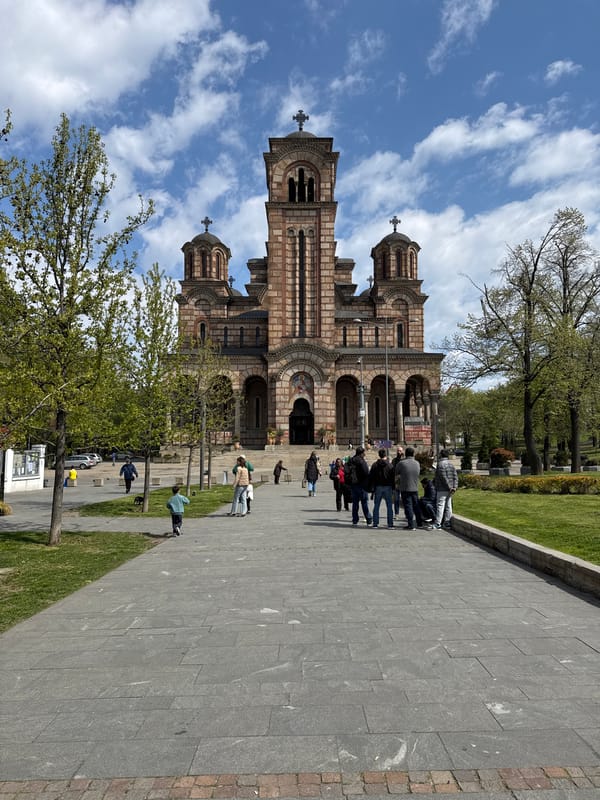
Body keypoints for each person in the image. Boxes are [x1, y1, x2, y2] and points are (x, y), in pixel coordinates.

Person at [395, 446, 427, 530]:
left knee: (408, 506)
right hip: (415, 487)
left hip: (405, 488)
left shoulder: (402, 463)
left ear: (405, 454)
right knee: (416, 506)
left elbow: (396, 472)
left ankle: (411, 524)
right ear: (413, 454)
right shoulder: (417, 463)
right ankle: (419, 523)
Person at [368, 448, 394, 529]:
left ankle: (375, 523)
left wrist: (372, 487)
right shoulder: (390, 465)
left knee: (376, 505)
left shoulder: (375, 465)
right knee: (389, 506)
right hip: (388, 486)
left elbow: (371, 476)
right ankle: (390, 524)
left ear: (379, 455)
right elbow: (393, 477)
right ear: (385, 455)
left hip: (378, 486)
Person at [347, 446, 372, 526]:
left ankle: (355, 520)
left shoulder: (351, 460)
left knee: (355, 503)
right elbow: (366, 472)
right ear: (361, 453)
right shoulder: (361, 461)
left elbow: (346, 470)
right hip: (362, 485)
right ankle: (368, 519)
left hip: (353, 484)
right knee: (364, 503)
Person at [433, 449, 458, 529]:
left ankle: (438, 523)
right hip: (450, 489)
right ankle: (447, 523)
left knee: (440, 505)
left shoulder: (440, 464)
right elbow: (455, 476)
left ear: (441, 455)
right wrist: (454, 487)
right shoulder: (451, 464)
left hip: (442, 488)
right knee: (448, 506)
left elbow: (443, 477)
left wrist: (449, 487)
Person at [391, 446, 404, 518]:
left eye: (400, 451)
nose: (399, 452)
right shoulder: (394, 460)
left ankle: (406, 513)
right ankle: (396, 513)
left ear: (402, 452)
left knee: (405, 498)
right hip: (396, 482)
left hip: (404, 482)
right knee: (396, 499)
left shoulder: (404, 460)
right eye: (398, 451)